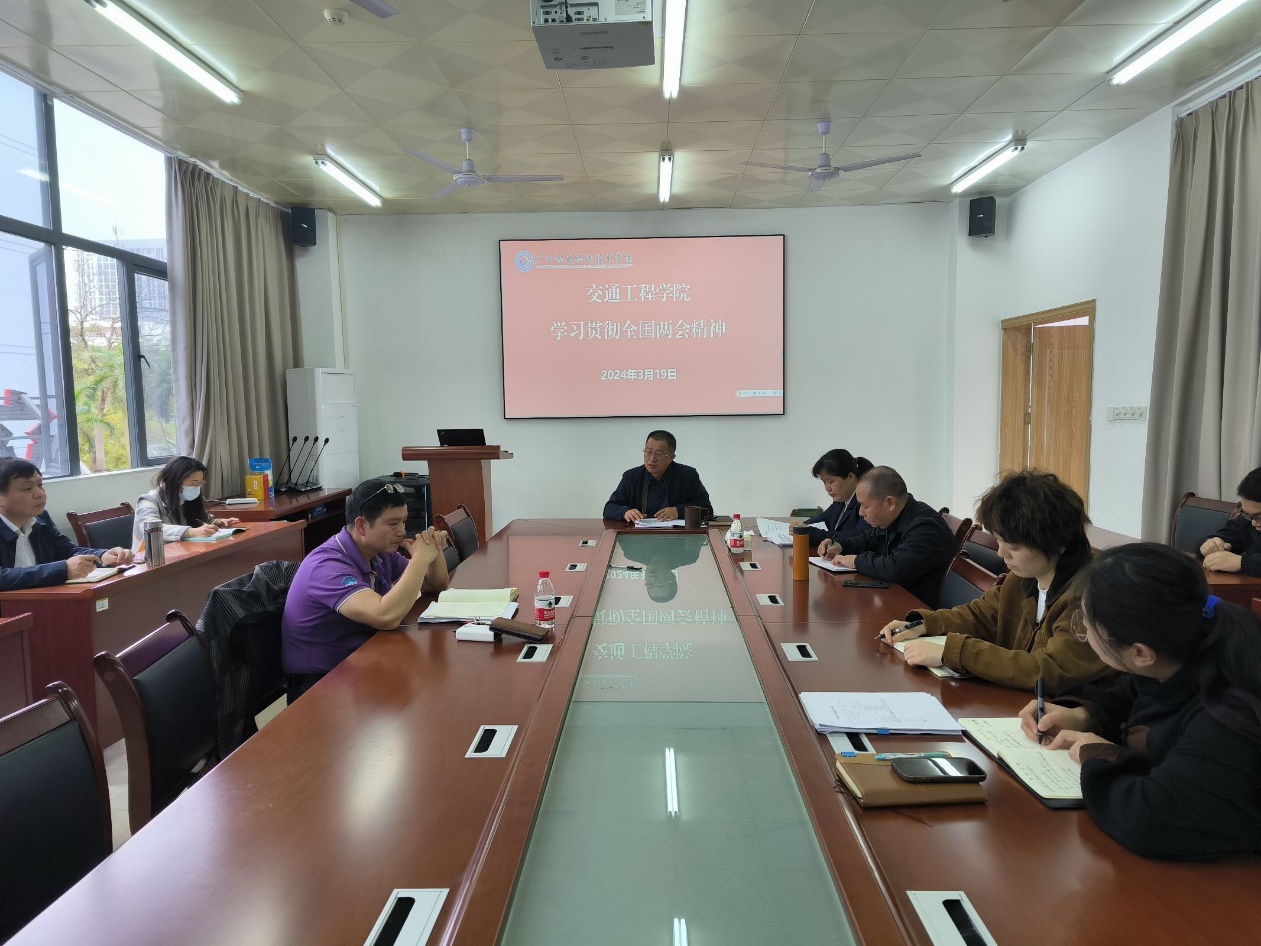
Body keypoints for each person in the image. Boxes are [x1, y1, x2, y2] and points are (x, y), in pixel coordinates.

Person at [1019, 543, 1261, 859]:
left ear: (1140, 653)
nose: (1084, 632)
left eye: (1088, 625)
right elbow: (1127, 698)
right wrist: (1084, 716)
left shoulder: (1229, 713)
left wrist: (1101, 754)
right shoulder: (1183, 655)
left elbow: (1149, 819)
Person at [876, 470, 1111, 692]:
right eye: (999, 541)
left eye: (1014, 547)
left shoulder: (1092, 597)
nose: (1001, 554)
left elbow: (1049, 669)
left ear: (1059, 543)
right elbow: (981, 614)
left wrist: (953, 652)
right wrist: (925, 624)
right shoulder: (1021, 578)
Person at [281, 478, 453, 701]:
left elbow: (435, 585)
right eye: (393, 524)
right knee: (420, 697)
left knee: (434, 689)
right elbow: (385, 616)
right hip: (319, 684)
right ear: (361, 525)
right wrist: (420, 559)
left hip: (361, 660)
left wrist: (433, 550)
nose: (402, 531)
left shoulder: (378, 552)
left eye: (404, 521)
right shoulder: (327, 566)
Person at [827, 466, 957, 608]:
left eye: (865, 506)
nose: (861, 512)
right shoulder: (896, 517)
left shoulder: (926, 526)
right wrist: (841, 545)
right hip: (900, 599)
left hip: (922, 611)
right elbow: (869, 539)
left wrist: (856, 561)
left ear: (890, 503)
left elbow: (896, 568)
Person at [0, 457, 134, 591]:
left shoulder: (41, 518)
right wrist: (62, 570)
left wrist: (102, 556)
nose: (39, 494)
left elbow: (67, 550)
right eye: (27, 488)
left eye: (40, 485)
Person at [131, 455, 241, 551]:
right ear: (174, 481)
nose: (197, 488)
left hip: (185, 551)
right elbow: (152, 528)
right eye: (193, 484)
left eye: (200, 483)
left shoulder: (191, 497)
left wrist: (217, 523)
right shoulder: (148, 500)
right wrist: (190, 532)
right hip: (153, 558)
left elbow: (202, 521)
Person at [603, 430, 713, 524]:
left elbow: (707, 509)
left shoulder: (688, 476)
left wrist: (678, 511)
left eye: (658, 454)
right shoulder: (631, 477)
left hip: (676, 536)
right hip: (640, 537)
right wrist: (625, 512)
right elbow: (609, 508)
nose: (651, 459)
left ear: (671, 457)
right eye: (648, 452)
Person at [805, 449, 874, 556]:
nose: (827, 488)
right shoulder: (840, 500)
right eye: (824, 482)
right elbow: (823, 518)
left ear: (850, 477)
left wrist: (812, 534)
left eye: (830, 481)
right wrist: (803, 525)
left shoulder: (865, 502)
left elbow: (859, 536)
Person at [1199, 466, 1261, 575]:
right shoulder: (1246, 521)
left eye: (1259, 517)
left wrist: (1242, 563)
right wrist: (1209, 545)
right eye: (1249, 515)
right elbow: (1219, 538)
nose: (1253, 523)